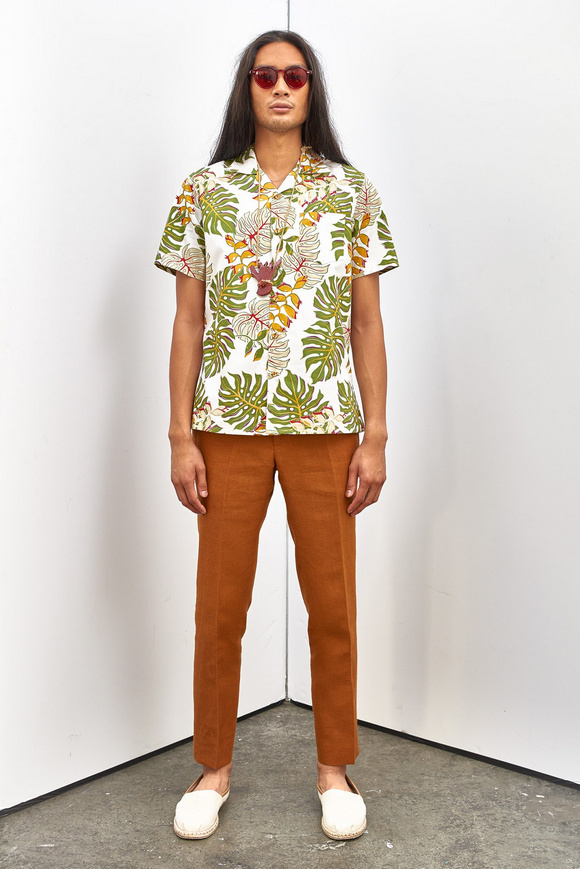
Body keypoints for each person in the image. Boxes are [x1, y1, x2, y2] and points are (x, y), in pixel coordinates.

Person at [154, 29, 399, 841]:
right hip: (225, 424)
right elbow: (188, 321)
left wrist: (376, 434)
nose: (282, 87)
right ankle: (211, 768)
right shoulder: (205, 190)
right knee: (219, 606)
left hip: (325, 424)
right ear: (248, 89)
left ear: (312, 87)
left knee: (332, 604)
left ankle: (335, 769)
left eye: (296, 74)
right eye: (267, 75)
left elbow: (367, 322)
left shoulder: (350, 191)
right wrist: (180, 435)